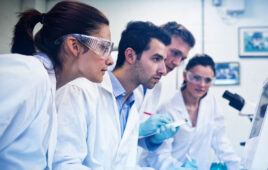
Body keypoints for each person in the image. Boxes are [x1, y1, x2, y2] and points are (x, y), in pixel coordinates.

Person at [0, 1, 113, 169]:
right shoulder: (29, 74)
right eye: (104, 47)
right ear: (74, 46)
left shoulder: (49, 88)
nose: (110, 60)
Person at [52, 21, 171, 169]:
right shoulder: (80, 92)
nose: (163, 70)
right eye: (156, 59)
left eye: (164, 61)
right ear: (130, 55)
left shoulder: (130, 106)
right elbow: (63, 163)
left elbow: (120, 165)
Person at [145, 54, 243, 170]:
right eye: (196, 78)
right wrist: (177, 167)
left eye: (207, 80)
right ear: (185, 76)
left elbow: (221, 141)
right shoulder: (167, 107)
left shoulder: (211, 103)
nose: (202, 85)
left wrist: (238, 166)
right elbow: (159, 155)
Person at [136, 21, 195, 167]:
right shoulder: (110, 71)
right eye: (175, 53)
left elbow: (132, 140)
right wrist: (139, 129)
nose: (176, 62)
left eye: (182, 58)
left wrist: (153, 139)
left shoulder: (155, 86)